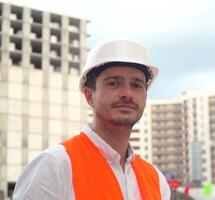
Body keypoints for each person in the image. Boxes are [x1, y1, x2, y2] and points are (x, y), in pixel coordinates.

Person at [13, 39, 171, 200]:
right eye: (114, 83)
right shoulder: (55, 167)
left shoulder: (156, 181)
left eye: (136, 85)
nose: (127, 93)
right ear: (89, 96)